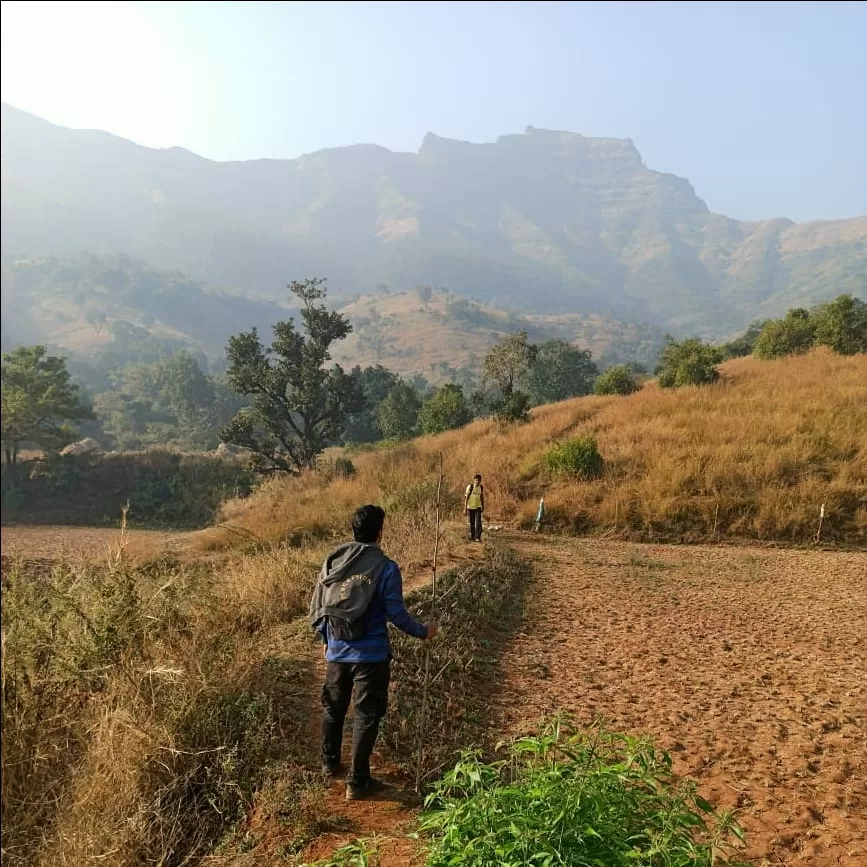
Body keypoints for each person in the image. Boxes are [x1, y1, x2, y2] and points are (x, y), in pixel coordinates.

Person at [309, 504, 438, 801]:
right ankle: (357, 782)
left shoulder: (334, 560)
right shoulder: (386, 567)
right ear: (380, 532)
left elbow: (318, 604)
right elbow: (396, 612)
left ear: (353, 530)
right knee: (367, 715)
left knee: (333, 707)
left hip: (337, 652)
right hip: (371, 657)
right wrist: (423, 631)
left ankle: (329, 763)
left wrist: (324, 637)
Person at [464, 473, 485, 542]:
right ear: (474, 480)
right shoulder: (470, 487)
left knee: (478, 522)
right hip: (470, 507)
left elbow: (481, 497)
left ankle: (477, 537)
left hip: (478, 507)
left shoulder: (481, 487)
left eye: (479, 480)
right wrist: (465, 509)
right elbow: (466, 498)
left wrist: (483, 506)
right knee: (472, 523)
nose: (477, 482)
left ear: (480, 481)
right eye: (476, 480)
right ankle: (473, 537)